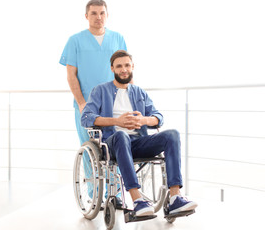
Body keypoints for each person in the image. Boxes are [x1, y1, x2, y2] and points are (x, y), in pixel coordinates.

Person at [81, 50, 198, 217]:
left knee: (172, 134)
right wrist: (117, 122)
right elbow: (86, 118)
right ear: (112, 68)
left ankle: (175, 198)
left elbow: (158, 117)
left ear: (132, 67)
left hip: (138, 142)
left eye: (127, 65)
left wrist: (144, 120)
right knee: (121, 136)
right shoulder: (100, 91)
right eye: (119, 66)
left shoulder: (139, 92)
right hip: (114, 144)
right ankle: (137, 201)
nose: (124, 69)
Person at [59, 0, 126, 205]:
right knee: (90, 149)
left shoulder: (117, 39)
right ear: (86, 16)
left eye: (102, 13)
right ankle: (95, 194)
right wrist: (81, 102)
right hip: (87, 106)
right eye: (94, 13)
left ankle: (114, 196)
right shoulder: (75, 41)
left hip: (114, 105)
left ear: (107, 15)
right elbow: (71, 75)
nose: (98, 17)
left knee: (115, 149)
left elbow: (125, 70)